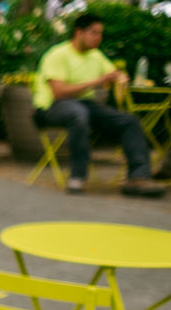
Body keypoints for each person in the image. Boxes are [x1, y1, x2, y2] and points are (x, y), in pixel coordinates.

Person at [33, 12, 165, 198]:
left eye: (100, 33)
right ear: (79, 32)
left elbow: (113, 73)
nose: (98, 38)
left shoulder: (95, 55)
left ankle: (139, 178)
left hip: (85, 105)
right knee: (78, 114)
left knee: (128, 120)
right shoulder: (57, 55)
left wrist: (120, 77)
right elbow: (59, 92)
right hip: (51, 107)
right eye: (94, 33)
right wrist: (98, 80)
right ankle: (78, 176)